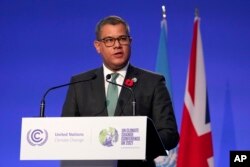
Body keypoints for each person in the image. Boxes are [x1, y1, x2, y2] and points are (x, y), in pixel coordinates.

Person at [62, 15, 179, 167]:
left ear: (130, 42)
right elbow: (66, 131)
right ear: (98, 46)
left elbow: (169, 134)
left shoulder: (153, 82)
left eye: (122, 39)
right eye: (109, 40)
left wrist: (136, 145)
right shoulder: (80, 83)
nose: (117, 45)